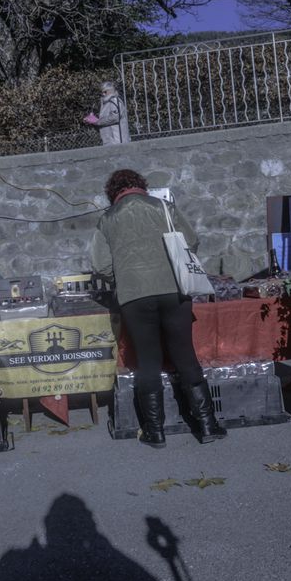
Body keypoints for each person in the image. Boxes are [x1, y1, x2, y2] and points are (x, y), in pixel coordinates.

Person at [91, 169, 225, 447]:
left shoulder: (107, 219)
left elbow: (101, 265)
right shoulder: (164, 206)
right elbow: (191, 242)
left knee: (148, 361)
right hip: (173, 290)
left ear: (113, 193)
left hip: (134, 296)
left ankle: (155, 431)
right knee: (185, 356)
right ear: (141, 186)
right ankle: (208, 426)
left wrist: (125, 277)